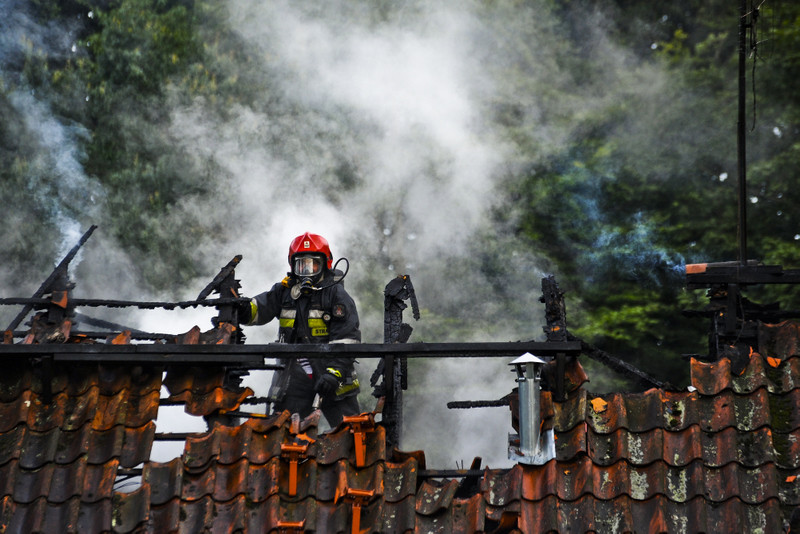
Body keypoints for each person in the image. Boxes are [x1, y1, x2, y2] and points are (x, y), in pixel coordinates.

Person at [239, 232, 361, 427]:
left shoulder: (336, 295)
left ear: (325, 264)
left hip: (333, 380)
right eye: (301, 265)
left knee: (351, 434)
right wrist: (241, 309)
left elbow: (347, 339)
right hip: (293, 380)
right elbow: (258, 310)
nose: (307, 271)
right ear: (292, 266)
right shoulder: (284, 292)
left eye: (313, 264)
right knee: (283, 433)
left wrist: (333, 374)